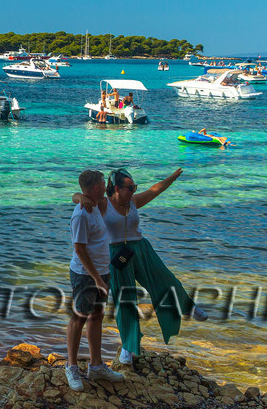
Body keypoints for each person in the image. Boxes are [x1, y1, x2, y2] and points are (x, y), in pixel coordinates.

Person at [76, 168, 204, 368]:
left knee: (164, 279)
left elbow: (155, 190)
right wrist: (79, 198)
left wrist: (172, 177)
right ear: (117, 188)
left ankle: (188, 307)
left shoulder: (133, 202)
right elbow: (79, 197)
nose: (134, 191)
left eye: (135, 187)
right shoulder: (103, 204)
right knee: (125, 300)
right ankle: (128, 346)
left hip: (142, 249)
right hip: (117, 256)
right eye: (130, 188)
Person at [66, 170, 122, 391]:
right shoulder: (81, 213)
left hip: (101, 271)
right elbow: (79, 250)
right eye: (102, 182)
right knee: (79, 317)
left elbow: (76, 193)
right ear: (97, 187)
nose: (105, 185)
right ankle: (71, 366)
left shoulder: (96, 204)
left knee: (97, 316)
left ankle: (96, 366)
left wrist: (79, 195)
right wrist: (97, 279)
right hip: (84, 274)